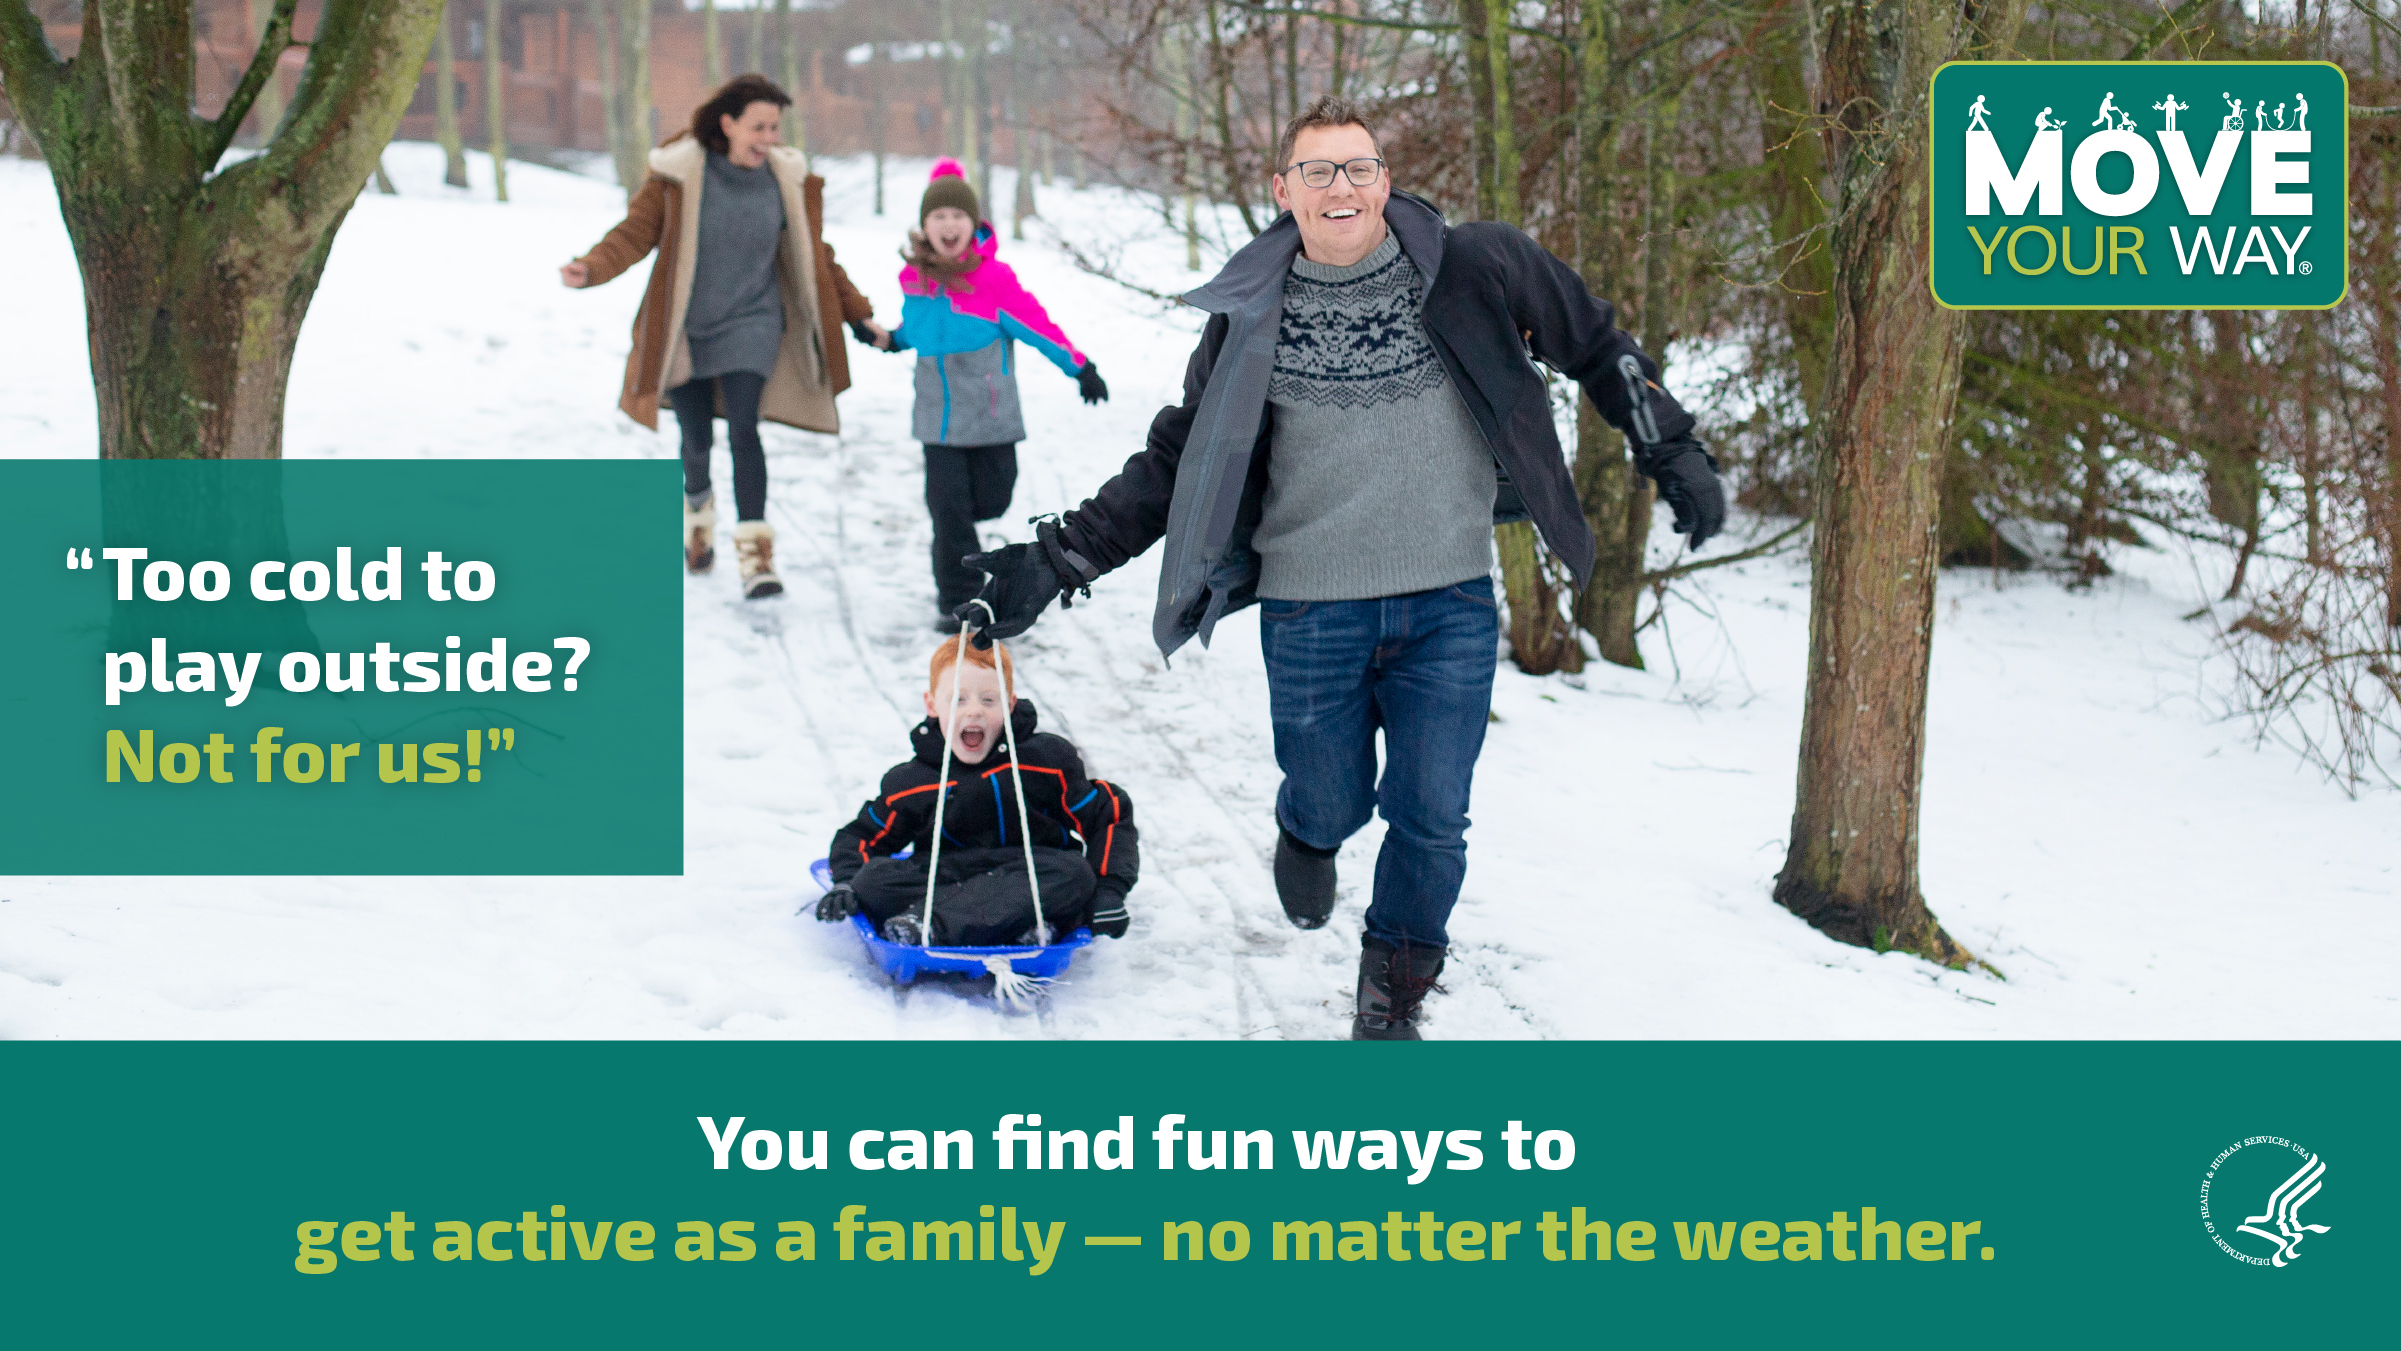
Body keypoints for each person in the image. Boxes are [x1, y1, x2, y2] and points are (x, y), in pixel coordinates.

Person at [959, 97, 1726, 1039]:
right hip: (1309, 610)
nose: (1341, 187)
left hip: (1448, 599)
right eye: (1316, 171)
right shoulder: (1250, 315)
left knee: (1432, 813)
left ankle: (1392, 982)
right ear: (1282, 192)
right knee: (1330, 795)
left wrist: (1669, 445)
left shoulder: (1472, 267)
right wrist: (1059, 555)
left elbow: (1596, 340)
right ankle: (1310, 830)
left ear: (1385, 181)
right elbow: (1179, 458)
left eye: (1358, 168)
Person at [561, 74, 887, 599]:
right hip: (688, 327)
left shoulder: (785, 180)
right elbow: (635, 234)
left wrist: (857, 314)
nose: (769, 138)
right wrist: (591, 267)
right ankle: (697, 517)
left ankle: (757, 556)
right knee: (696, 440)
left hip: (753, 323)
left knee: (744, 431)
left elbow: (816, 256)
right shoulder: (680, 175)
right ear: (728, 124)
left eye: (775, 127)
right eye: (758, 126)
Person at [868, 160, 1109, 629]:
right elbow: (917, 329)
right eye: (938, 217)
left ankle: (961, 535)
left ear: (973, 223)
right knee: (947, 510)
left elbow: (1039, 327)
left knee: (994, 499)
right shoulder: (914, 279)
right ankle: (956, 601)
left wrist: (1080, 368)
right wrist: (892, 339)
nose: (949, 225)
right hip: (937, 420)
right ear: (925, 226)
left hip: (990, 417)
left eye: (958, 216)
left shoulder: (993, 280)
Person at [817, 636, 1137, 947]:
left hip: (1027, 873)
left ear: (1010, 704)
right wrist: (846, 880)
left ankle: (932, 926)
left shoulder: (1045, 761)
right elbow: (863, 836)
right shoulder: (913, 780)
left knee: (1073, 873)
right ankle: (1022, 926)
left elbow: (1107, 812)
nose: (974, 712)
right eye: (958, 699)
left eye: (988, 700)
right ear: (932, 704)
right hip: (947, 876)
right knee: (873, 881)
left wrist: (1108, 889)